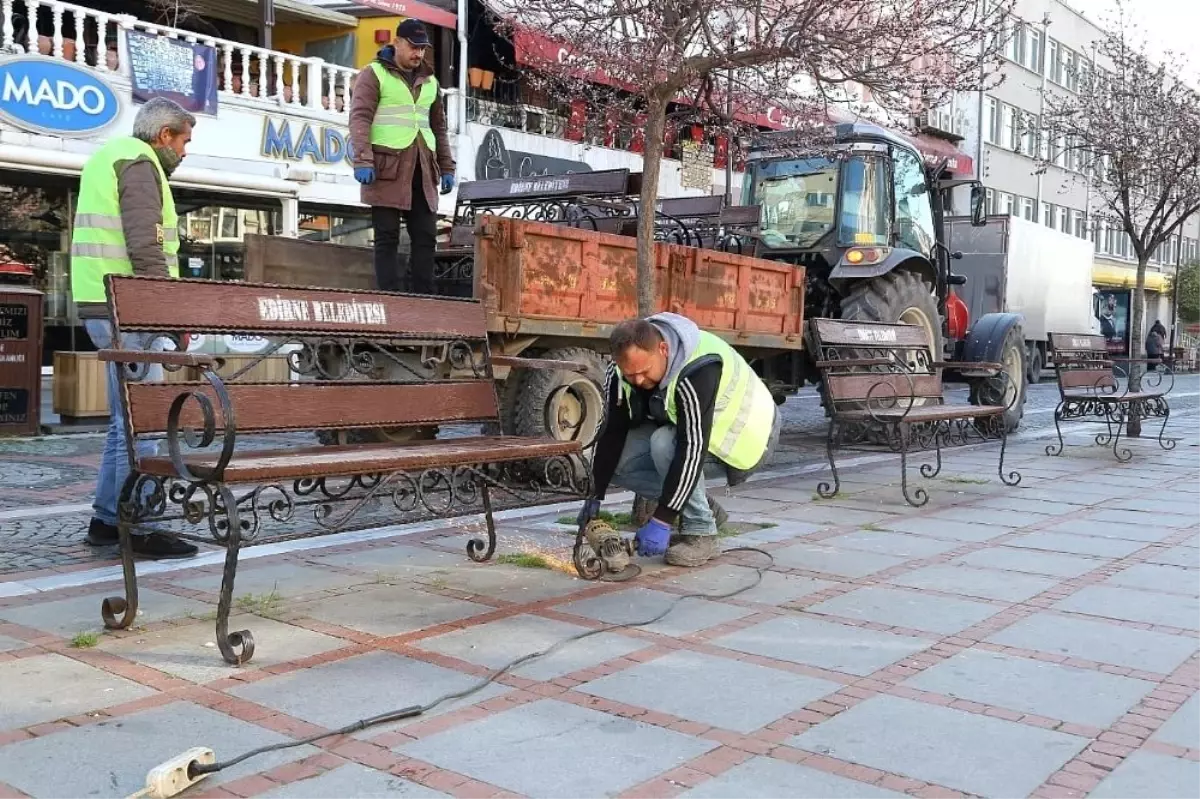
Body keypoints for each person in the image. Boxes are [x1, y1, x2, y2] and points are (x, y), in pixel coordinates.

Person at [72, 97, 198, 559]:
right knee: (142, 420)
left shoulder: (109, 156)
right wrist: (167, 312)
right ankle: (139, 525)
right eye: (184, 140)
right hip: (130, 310)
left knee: (124, 423)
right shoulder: (140, 163)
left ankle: (108, 520)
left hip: (105, 305)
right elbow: (146, 247)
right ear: (164, 135)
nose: (185, 151)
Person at [577, 315, 781, 567]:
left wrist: (662, 520)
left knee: (663, 443)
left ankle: (702, 532)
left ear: (663, 350)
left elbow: (691, 449)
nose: (638, 381)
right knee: (619, 462)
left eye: (644, 371)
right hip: (690, 435)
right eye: (631, 374)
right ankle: (702, 508)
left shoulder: (697, 368)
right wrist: (594, 495)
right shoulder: (619, 374)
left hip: (752, 435)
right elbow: (612, 432)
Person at [349, 19, 456, 294]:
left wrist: (447, 167)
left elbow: (438, 128)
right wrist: (362, 159)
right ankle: (390, 298)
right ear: (397, 42)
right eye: (413, 46)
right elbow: (359, 118)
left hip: (423, 168)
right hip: (386, 169)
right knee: (387, 237)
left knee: (426, 236)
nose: (418, 53)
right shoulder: (374, 74)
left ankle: (423, 298)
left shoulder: (431, 82)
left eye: (423, 48)